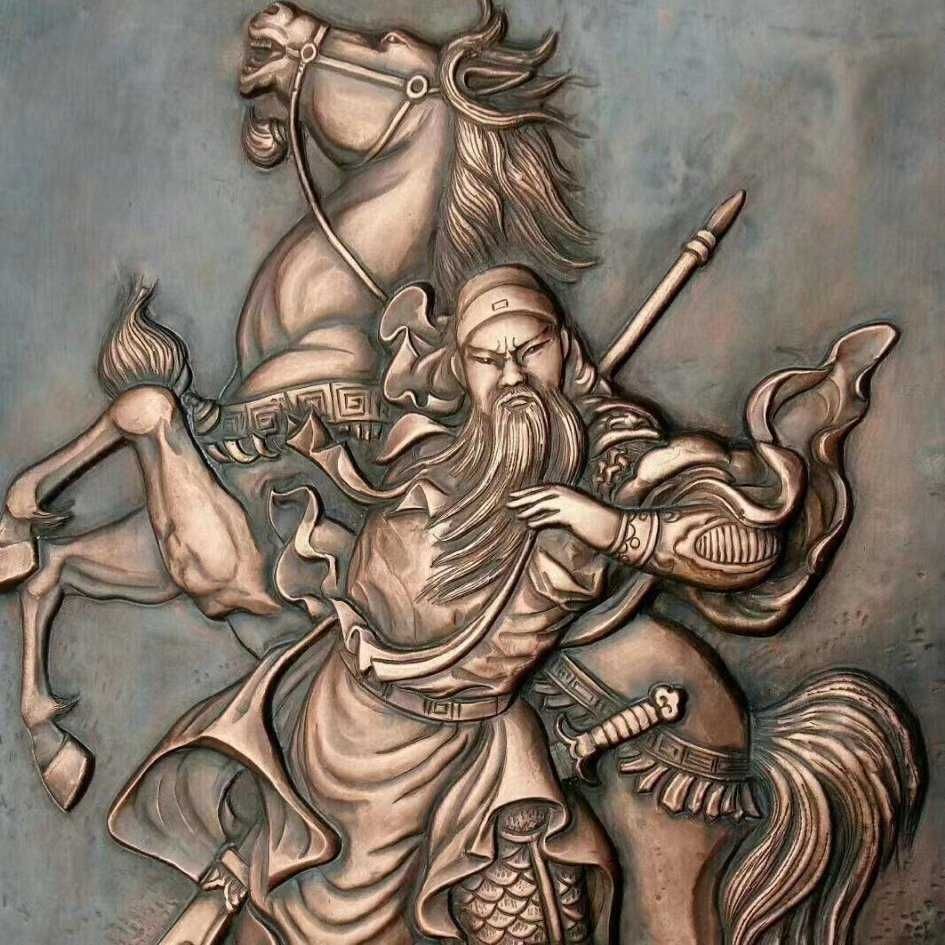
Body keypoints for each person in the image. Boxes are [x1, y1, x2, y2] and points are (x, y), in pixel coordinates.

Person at [107, 265, 800, 945]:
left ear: (566, 348)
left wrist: (610, 526)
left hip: (459, 750)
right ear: (462, 368)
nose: (512, 376)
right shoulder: (432, 445)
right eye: (487, 359)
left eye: (530, 350)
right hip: (334, 716)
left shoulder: (616, 458)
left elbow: (748, 548)